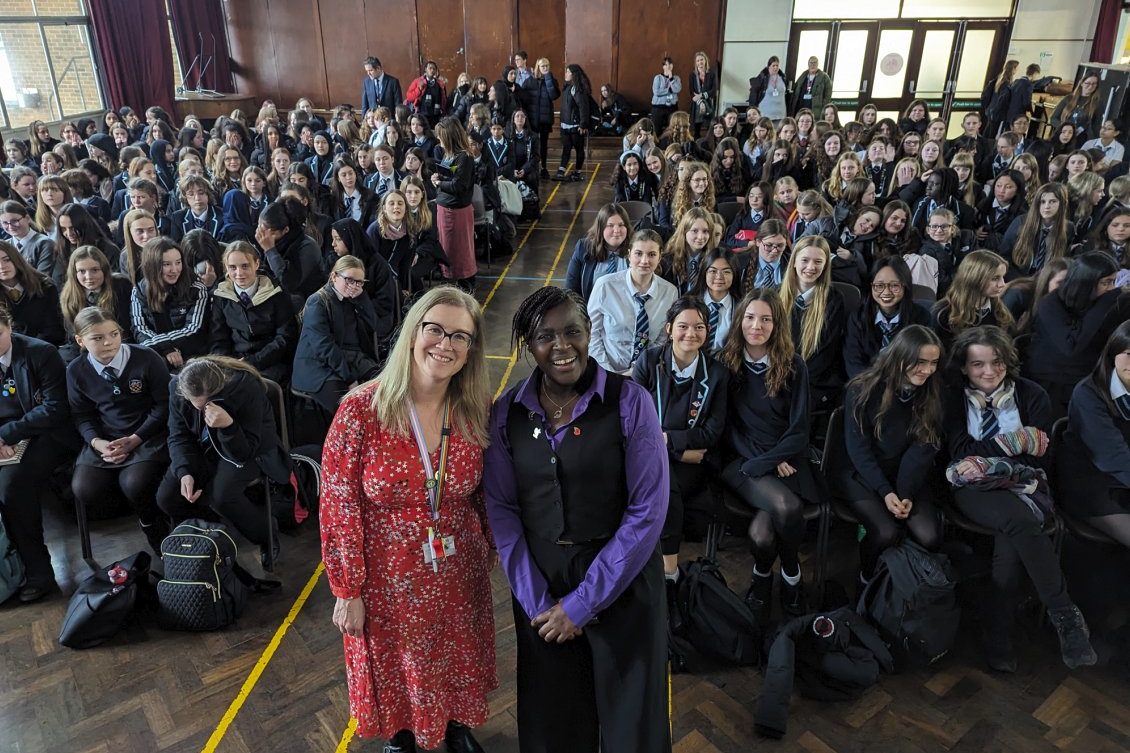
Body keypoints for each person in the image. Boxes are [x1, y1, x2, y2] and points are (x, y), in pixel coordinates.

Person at [484, 286, 670, 753]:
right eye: (545, 336)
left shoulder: (631, 402)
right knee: (555, 726)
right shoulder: (507, 411)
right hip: (543, 588)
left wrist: (583, 603)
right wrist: (537, 600)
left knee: (633, 727)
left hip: (624, 580)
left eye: (572, 331)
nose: (561, 346)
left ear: (590, 332)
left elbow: (647, 511)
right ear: (529, 345)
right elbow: (502, 508)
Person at [321, 285, 495, 753]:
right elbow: (338, 505)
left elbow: (488, 490)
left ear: (471, 349)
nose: (445, 344)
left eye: (460, 336)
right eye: (435, 329)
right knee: (396, 662)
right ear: (413, 333)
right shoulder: (361, 410)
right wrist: (347, 588)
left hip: (457, 568)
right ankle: (402, 735)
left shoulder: (476, 408)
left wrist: (495, 545)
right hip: (386, 576)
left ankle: (455, 724)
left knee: (457, 652)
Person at [945, 325, 1097, 671]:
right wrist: (1015, 442)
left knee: (1011, 537)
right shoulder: (952, 398)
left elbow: (1040, 455)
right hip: (970, 487)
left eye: (997, 362)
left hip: (1025, 485)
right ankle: (1065, 614)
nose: (989, 372)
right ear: (964, 367)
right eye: (978, 364)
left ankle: (997, 633)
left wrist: (989, 458)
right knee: (1019, 521)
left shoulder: (1032, 394)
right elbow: (961, 453)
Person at [720, 287, 814, 620]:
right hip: (742, 460)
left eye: (765, 319)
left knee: (762, 535)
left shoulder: (793, 365)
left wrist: (772, 459)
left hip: (786, 458)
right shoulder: (725, 362)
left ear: (777, 325)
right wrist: (762, 462)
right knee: (785, 507)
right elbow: (727, 428)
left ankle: (779, 575)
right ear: (739, 320)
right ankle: (789, 575)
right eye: (749, 317)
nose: (756, 326)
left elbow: (800, 430)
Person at [632, 295, 729, 609]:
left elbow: (711, 433)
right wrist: (679, 450)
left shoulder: (718, 374)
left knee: (665, 485)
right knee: (662, 482)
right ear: (669, 328)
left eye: (699, 327)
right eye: (683, 326)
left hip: (693, 466)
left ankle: (665, 573)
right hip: (657, 456)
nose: (691, 333)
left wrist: (665, 440)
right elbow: (634, 423)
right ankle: (666, 573)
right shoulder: (649, 362)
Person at [157, 354, 291, 568]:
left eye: (206, 404)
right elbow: (178, 435)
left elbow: (244, 452)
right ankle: (210, 537)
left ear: (219, 390)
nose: (201, 409)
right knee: (167, 497)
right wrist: (184, 471)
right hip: (205, 448)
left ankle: (266, 533)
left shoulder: (245, 386)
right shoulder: (177, 387)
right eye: (195, 404)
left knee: (221, 496)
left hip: (249, 447)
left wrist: (228, 426)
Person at [841, 325, 944, 587]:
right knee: (885, 532)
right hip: (863, 474)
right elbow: (858, 449)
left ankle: (896, 584)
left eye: (933, 363)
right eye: (920, 362)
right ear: (900, 357)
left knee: (929, 536)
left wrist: (905, 493)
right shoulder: (862, 388)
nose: (927, 370)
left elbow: (922, 450)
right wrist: (886, 491)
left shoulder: (932, 392)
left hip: (905, 475)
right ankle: (867, 581)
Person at [66, 307, 170, 554]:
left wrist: (135, 439)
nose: (108, 342)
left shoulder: (146, 358)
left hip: (147, 433)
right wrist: (96, 442)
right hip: (106, 438)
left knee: (135, 483)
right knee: (84, 489)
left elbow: (164, 406)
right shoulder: (76, 370)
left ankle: (151, 523)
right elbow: (81, 415)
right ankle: (137, 507)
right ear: (80, 341)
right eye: (97, 338)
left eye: (114, 334)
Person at [0, 307, 73, 602]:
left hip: (46, 433)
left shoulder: (41, 353)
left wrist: (6, 434)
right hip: (5, 436)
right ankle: (8, 572)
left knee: (13, 488)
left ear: (9, 327)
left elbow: (55, 408)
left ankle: (39, 571)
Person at [1025, 251, 1129, 418]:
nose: (1112, 288)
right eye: (1106, 283)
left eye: (1113, 281)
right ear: (1086, 282)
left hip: (1094, 377)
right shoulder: (1050, 304)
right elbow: (1071, 346)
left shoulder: (1106, 301)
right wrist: (1108, 300)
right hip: (1052, 382)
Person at [1060, 320, 1130, 547]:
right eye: (1128, 354)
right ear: (1113, 353)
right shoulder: (1089, 393)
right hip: (1094, 483)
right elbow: (1113, 458)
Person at [292, 255, 381, 422]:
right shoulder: (318, 301)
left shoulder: (354, 299)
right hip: (318, 366)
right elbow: (324, 347)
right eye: (349, 280)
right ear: (334, 277)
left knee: (386, 389)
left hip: (351, 358)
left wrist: (362, 298)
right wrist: (350, 378)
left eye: (359, 282)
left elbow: (375, 325)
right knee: (349, 407)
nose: (354, 286)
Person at [588, 229, 679, 373]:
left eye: (652, 254)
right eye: (638, 253)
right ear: (629, 255)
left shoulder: (670, 292)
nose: (644, 261)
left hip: (645, 371)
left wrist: (639, 369)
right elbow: (591, 333)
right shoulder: (605, 286)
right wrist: (607, 372)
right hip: (606, 369)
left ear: (660, 257)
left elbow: (662, 338)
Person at [209, 241, 297, 385]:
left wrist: (253, 362)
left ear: (256, 264)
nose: (239, 273)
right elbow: (219, 338)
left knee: (251, 386)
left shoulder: (277, 294)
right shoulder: (221, 295)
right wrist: (226, 364)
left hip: (270, 361)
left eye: (245, 266)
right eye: (232, 267)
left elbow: (285, 338)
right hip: (235, 361)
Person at [130, 237, 211, 369]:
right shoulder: (139, 289)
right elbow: (139, 328)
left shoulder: (196, 288)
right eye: (166, 264)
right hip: (158, 354)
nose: (174, 269)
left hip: (192, 354)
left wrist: (154, 345)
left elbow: (193, 329)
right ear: (152, 266)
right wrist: (167, 350)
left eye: (178, 262)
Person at [844, 256, 932, 378]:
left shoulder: (921, 317)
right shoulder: (858, 317)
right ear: (871, 286)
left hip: (906, 381)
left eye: (894, 286)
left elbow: (921, 361)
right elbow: (853, 362)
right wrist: (871, 385)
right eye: (879, 286)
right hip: (866, 383)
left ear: (905, 286)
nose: (886, 292)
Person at [430, 118, 477, 292]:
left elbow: (459, 185)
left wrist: (439, 183)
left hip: (457, 212)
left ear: (449, 136)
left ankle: (465, 281)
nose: (439, 140)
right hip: (444, 208)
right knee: (447, 248)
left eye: (441, 136)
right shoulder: (448, 154)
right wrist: (439, 178)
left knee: (460, 250)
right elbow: (450, 176)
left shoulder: (465, 157)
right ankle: (449, 277)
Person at [931, 249, 1013, 349]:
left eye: (1003, 277)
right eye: (995, 278)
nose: (1002, 284)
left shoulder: (999, 310)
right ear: (974, 278)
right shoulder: (943, 313)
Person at [255, 197, 324, 308]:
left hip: (307, 301)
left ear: (285, 230)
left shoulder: (307, 246)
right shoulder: (268, 240)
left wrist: (270, 251)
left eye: (266, 231)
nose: (260, 234)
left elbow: (289, 283)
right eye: (259, 226)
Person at [564, 203, 631, 301]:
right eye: (610, 225)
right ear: (601, 228)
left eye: (621, 225)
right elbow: (571, 291)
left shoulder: (636, 249)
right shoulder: (584, 248)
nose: (617, 230)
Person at [554, 64, 591, 183]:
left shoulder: (578, 89)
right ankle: (561, 170)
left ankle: (577, 172)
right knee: (566, 148)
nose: (565, 74)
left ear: (574, 74)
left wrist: (583, 124)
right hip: (565, 125)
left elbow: (583, 107)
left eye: (568, 72)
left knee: (579, 149)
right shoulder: (567, 88)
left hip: (576, 126)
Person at [0, 200, 54, 278]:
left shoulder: (44, 243)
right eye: (5, 223)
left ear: (27, 218)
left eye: (14, 221)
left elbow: (43, 276)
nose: (10, 226)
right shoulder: (5, 246)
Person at [526, 58, 559, 178]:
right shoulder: (530, 81)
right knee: (533, 144)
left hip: (545, 119)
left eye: (547, 66)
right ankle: (532, 167)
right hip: (533, 118)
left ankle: (544, 167)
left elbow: (554, 95)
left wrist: (548, 78)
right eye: (543, 66)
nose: (545, 68)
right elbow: (525, 98)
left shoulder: (552, 80)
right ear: (538, 67)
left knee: (544, 145)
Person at [748, 56, 788, 123]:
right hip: (765, 114)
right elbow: (754, 91)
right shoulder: (763, 77)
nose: (775, 68)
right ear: (769, 66)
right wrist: (752, 107)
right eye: (773, 65)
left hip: (780, 114)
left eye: (777, 65)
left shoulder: (783, 77)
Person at [689, 52, 717, 139]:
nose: (700, 62)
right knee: (697, 129)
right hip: (697, 103)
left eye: (701, 59)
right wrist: (700, 102)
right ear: (695, 62)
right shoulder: (692, 75)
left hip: (709, 102)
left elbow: (714, 90)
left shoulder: (712, 73)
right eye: (698, 60)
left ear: (705, 60)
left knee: (709, 127)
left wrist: (702, 95)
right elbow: (692, 92)